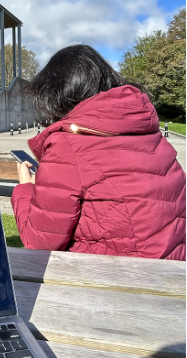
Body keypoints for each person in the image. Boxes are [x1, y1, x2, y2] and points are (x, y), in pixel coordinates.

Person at [11, 45, 185, 260]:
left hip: (118, 276)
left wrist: (25, 187)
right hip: (173, 266)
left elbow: (39, 241)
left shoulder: (68, 144)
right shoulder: (149, 132)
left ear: (56, 94)